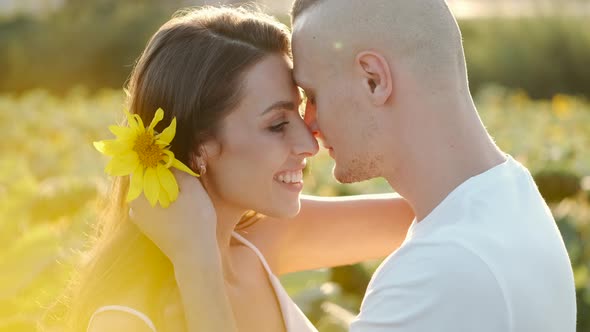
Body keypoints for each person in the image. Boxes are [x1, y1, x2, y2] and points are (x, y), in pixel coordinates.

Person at [42, 6, 414, 332]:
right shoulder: (126, 318)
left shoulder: (257, 241)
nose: (309, 144)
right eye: (277, 124)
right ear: (197, 148)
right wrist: (196, 261)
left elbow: (438, 211)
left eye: (299, 112)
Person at [289, 0, 577, 331]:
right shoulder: (510, 194)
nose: (308, 124)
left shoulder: (445, 267)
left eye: (312, 95)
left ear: (373, 80)